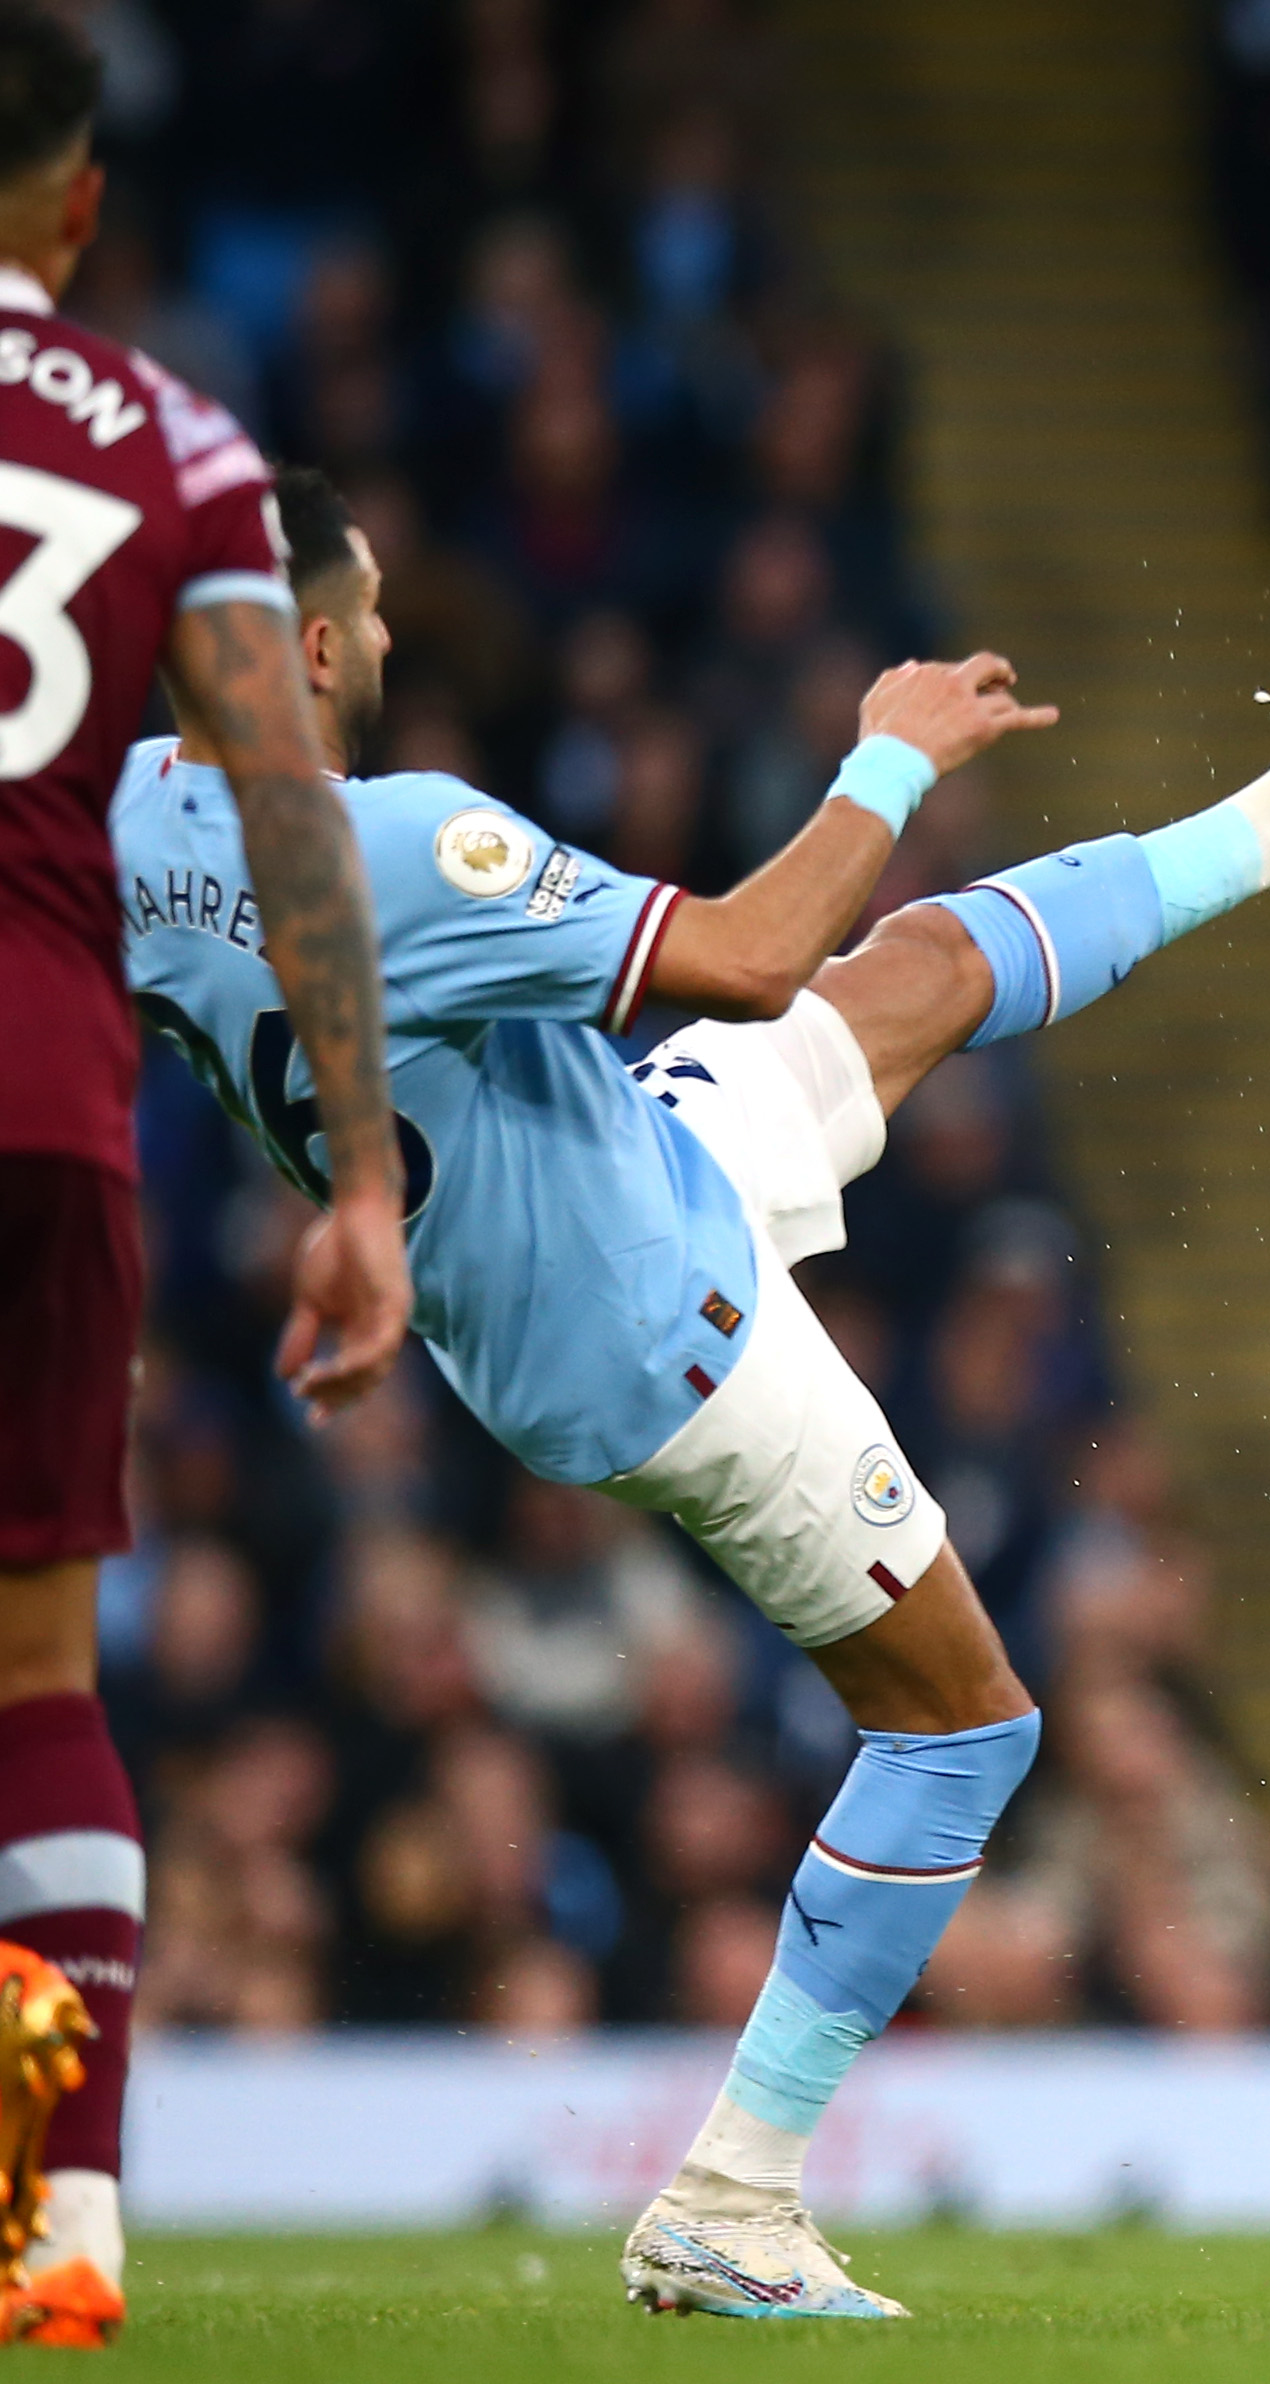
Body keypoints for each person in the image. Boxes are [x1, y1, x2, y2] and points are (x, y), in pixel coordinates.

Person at [111, 467, 1270, 2319]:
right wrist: (887, 758)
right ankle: (732, 2198)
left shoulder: (119, 833)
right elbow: (744, 950)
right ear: (315, 643)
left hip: (592, 1203)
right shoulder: (392, 844)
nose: (400, 642)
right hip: (652, 1323)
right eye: (375, 613)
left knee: (909, 978)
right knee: (963, 1732)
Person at [0, 10, 405, 2347]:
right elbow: (284, 807)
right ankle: (67, 2218)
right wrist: (357, 1170)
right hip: (47, 1107)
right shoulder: (180, 444)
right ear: (78, 205)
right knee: (34, 1664)